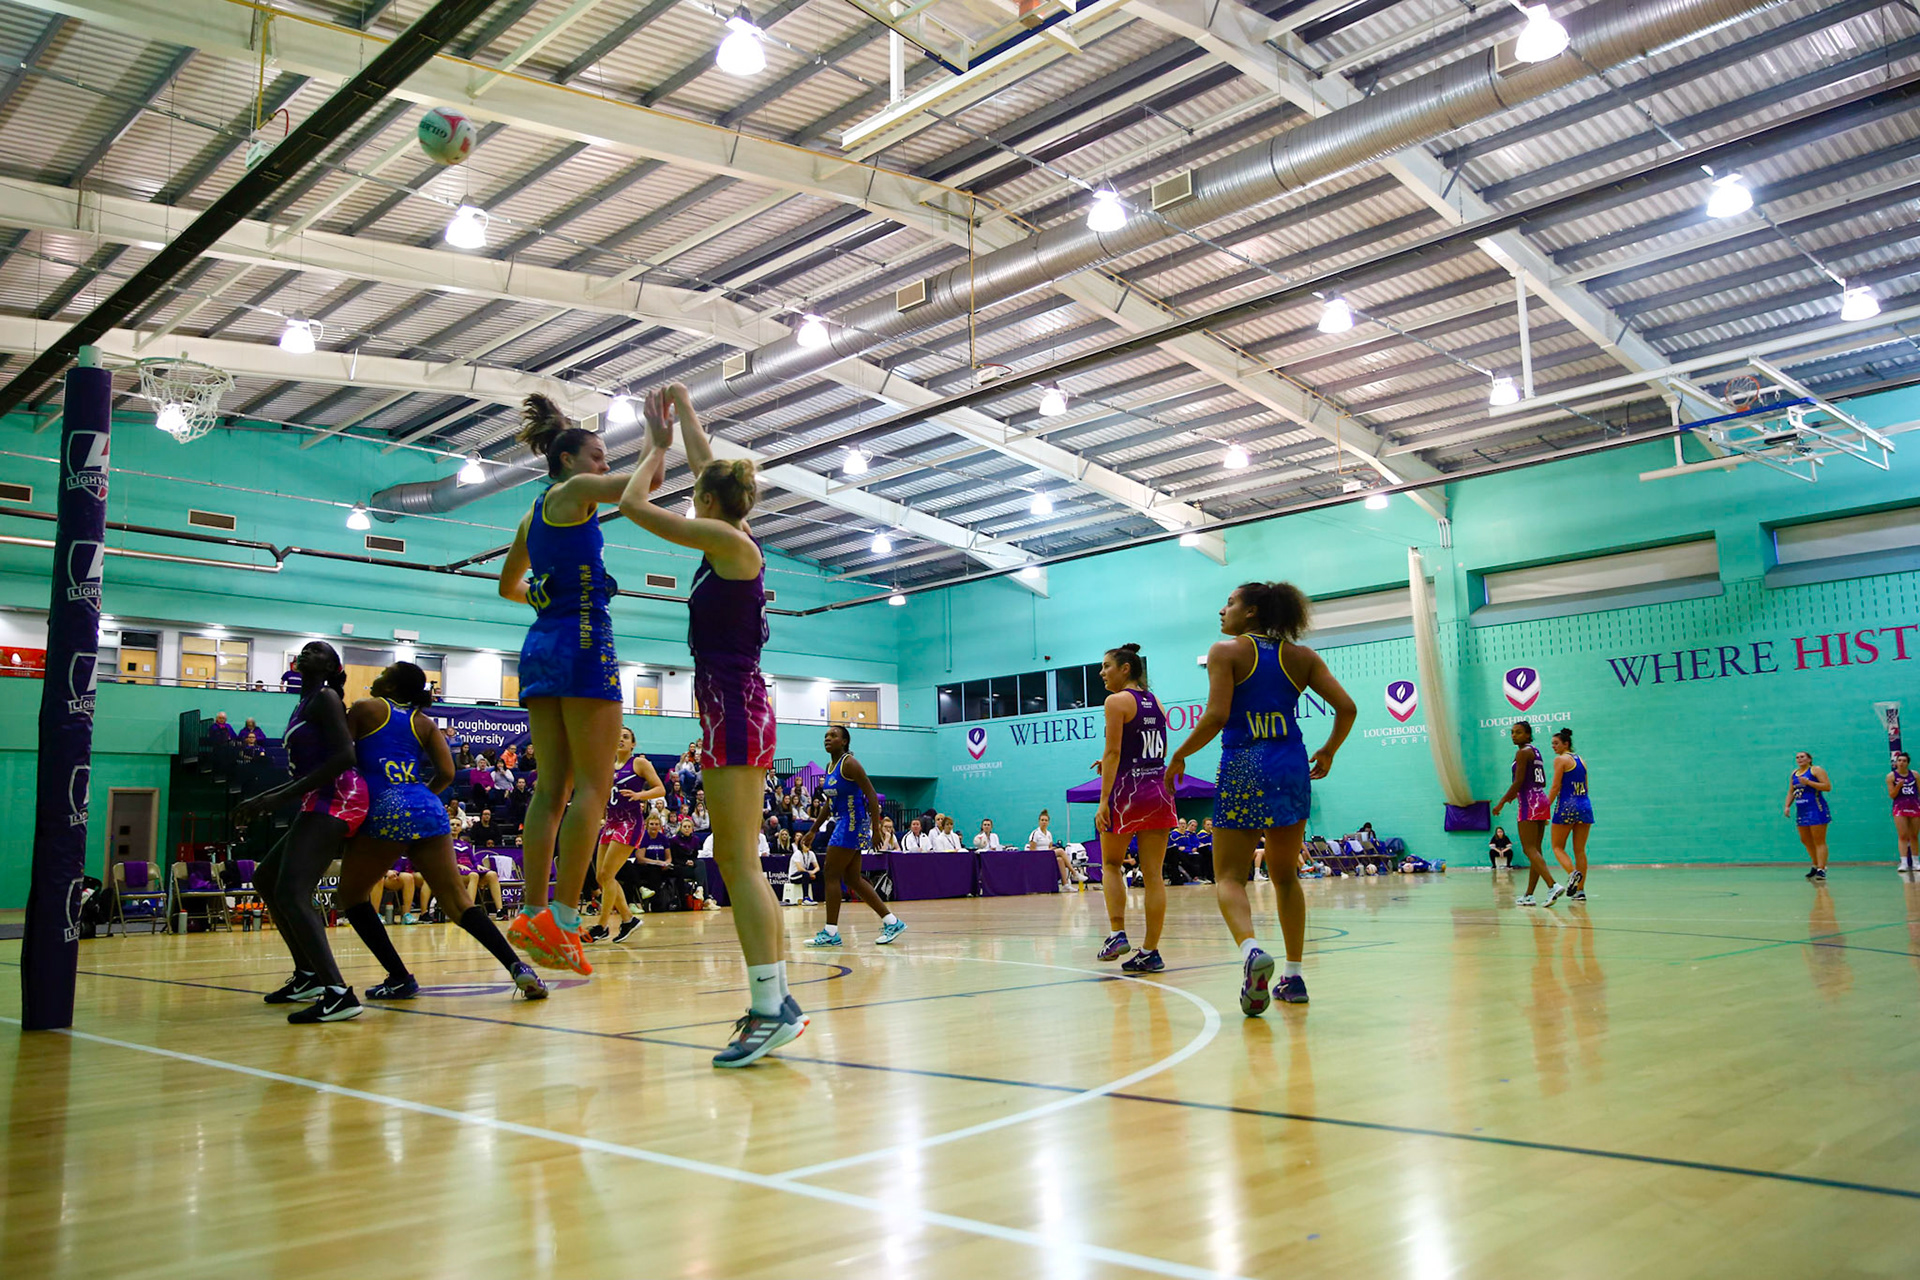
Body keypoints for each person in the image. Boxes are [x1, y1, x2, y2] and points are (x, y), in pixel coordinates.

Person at [619, 382, 806, 1066]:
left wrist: (655, 443)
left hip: (734, 705)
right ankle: (777, 1001)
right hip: (731, 703)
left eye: (697, 491)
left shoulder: (726, 541)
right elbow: (707, 470)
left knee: (737, 860)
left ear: (705, 502)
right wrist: (685, 407)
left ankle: (771, 1008)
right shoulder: (731, 533)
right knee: (738, 858)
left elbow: (633, 505)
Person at [499, 392, 667, 975]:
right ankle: (566, 920)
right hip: (585, 641)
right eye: (598, 456)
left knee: (552, 789)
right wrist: (658, 439)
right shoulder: (574, 492)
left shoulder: (533, 514)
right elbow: (644, 485)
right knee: (594, 786)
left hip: (541, 644)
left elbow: (508, 586)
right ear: (567, 460)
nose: (604, 464)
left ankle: (533, 911)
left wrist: (546, 595)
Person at [1165, 581, 1356, 1015]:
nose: (1223, 610)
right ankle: (1294, 976)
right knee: (1286, 877)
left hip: (1244, 765)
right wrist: (1329, 750)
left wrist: (1180, 754)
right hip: (1291, 764)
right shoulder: (1302, 657)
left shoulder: (1225, 652)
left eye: (1230, 602)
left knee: (1230, 877)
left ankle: (1251, 950)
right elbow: (1347, 708)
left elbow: (1216, 715)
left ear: (1251, 611)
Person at [341, 662, 549, 1015]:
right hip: (427, 807)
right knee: (458, 902)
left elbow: (340, 757)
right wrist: (420, 795)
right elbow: (448, 773)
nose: (376, 678)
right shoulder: (423, 722)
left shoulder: (365, 708)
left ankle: (399, 976)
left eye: (383, 673)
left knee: (351, 896)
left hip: (386, 809)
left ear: (391, 684)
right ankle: (519, 967)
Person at [230, 641, 370, 1022]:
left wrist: (277, 798)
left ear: (331, 667)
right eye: (305, 650)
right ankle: (308, 975)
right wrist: (265, 798)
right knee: (266, 877)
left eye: (317, 651)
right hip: (318, 796)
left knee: (293, 891)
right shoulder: (304, 702)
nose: (307, 653)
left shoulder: (325, 697)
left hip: (340, 795)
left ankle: (338, 993)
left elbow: (345, 756)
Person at [1092, 643, 1179, 973]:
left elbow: (1114, 752)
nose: (1102, 672)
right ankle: (1150, 952)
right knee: (1154, 875)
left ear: (1125, 668)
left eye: (1106, 666)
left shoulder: (1115, 701)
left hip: (1128, 793)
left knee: (1111, 864)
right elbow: (1156, 750)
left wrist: (1103, 800)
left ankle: (1117, 934)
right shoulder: (1156, 702)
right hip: (1158, 789)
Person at [804, 724, 906, 948]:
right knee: (852, 879)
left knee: (831, 873)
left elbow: (871, 795)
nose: (827, 738)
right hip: (843, 822)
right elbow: (829, 803)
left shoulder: (849, 763)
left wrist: (876, 829)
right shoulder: (830, 766)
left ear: (844, 742)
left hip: (852, 823)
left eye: (833, 735)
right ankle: (892, 922)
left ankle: (831, 932)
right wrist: (813, 829)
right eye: (826, 735)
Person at [589, 726, 663, 944]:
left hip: (629, 823)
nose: (620, 739)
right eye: (618, 736)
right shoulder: (608, 765)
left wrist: (640, 795)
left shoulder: (639, 763)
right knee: (601, 877)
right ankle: (628, 919)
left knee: (607, 874)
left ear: (633, 744)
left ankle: (602, 925)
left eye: (626, 737)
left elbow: (660, 789)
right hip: (611, 822)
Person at [1493, 721, 1564, 907]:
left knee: (1528, 849)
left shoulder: (1522, 752)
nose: (1514, 735)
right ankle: (1529, 895)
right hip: (1541, 798)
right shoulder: (1535, 751)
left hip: (1529, 802)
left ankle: (1552, 885)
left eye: (1518, 732)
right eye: (1512, 732)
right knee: (1536, 851)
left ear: (1528, 735)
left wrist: (1502, 802)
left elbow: (1518, 782)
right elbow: (1542, 781)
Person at [1546, 728, 1594, 901]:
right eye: (1552, 744)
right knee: (1580, 850)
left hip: (1567, 805)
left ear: (1566, 744)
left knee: (1557, 847)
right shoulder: (1582, 760)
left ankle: (1572, 873)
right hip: (1584, 805)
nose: (1553, 746)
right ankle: (1580, 892)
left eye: (1556, 743)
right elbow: (1586, 786)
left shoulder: (1560, 760)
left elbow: (1555, 787)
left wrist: (1545, 807)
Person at [1786, 749, 1833, 881]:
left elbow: (1827, 786)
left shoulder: (1816, 770)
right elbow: (1791, 791)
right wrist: (1787, 806)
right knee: (1805, 840)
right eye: (1797, 757)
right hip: (1802, 810)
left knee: (1819, 840)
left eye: (1802, 756)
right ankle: (1815, 864)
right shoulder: (1794, 773)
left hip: (1816, 808)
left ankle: (1822, 869)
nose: (1799, 759)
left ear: (1809, 759)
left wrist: (1809, 783)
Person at [1890, 751, 1920, 872]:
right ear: (1896, 763)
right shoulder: (1891, 776)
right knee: (1902, 835)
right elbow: (1892, 795)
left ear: (1908, 763)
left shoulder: (1915, 775)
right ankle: (1903, 863)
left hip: (1914, 805)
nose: (1901, 763)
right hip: (1899, 807)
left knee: (1914, 835)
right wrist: (1898, 786)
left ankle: (1916, 862)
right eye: (1899, 760)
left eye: (1904, 761)